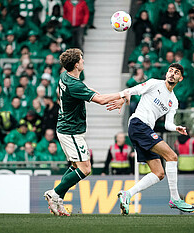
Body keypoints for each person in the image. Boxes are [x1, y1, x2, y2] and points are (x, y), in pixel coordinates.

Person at [43, 48, 130, 216]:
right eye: (81, 59)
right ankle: (54, 193)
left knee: (75, 166)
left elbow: (76, 91)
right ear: (76, 64)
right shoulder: (74, 84)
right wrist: (123, 94)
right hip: (71, 131)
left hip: (66, 127)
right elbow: (101, 100)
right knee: (85, 169)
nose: (83, 61)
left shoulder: (65, 76)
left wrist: (95, 93)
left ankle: (58, 198)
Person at [107, 63, 194, 214]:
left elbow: (168, 124)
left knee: (159, 173)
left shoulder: (173, 101)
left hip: (144, 130)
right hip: (138, 124)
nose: (172, 74)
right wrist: (123, 96)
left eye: (176, 73)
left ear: (180, 78)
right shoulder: (155, 83)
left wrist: (176, 128)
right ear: (167, 73)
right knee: (172, 156)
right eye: (170, 71)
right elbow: (133, 90)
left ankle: (127, 194)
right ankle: (174, 198)